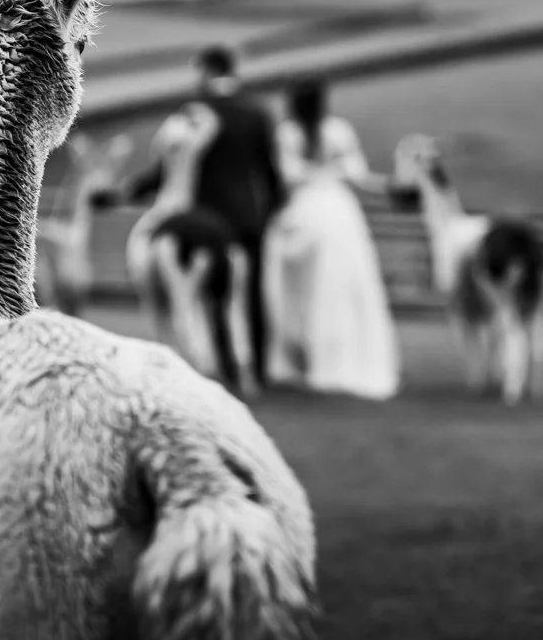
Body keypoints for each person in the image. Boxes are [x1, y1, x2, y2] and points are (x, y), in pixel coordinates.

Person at [124, 45, 286, 387]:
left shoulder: (194, 113)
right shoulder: (256, 112)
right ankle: (255, 369)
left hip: (205, 217)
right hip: (248, 218)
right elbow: (270, 173)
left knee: (214, 297)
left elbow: (167, 168)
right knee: (251, 295)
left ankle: (218, 368)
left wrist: (131, 190)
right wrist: (269, 212)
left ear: (207, 70)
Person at [264, 77, 401, 400]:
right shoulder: (339, 131)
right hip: (339, 213)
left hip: (303, 211)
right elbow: (359, 175)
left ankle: (300, 359)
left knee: (298, 292)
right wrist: (390, 185)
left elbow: (285, 176)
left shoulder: (287, 133)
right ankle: (345, 361)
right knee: (347, 290)